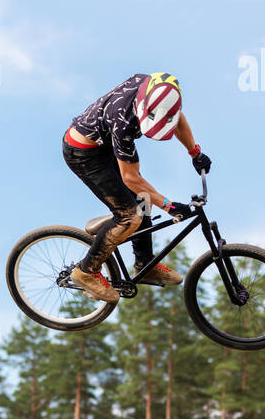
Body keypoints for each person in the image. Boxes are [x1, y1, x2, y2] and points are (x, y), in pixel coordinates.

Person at [62, 72, 212, 303]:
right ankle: (86, 271)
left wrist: (195, 152)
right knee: (130, 215)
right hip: (84, 153)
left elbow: (178, 119)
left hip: (105, 145)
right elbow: (130, 178)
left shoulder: (160, 92)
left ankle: (145, 264)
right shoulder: (123, 120)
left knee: (144, 200)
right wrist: (169, 206)